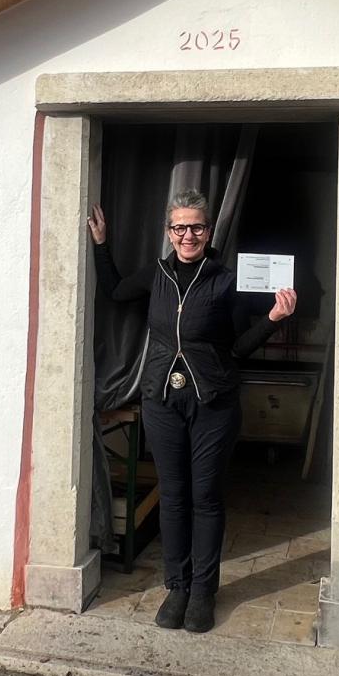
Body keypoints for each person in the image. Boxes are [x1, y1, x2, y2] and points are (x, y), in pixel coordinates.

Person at [88, 190, 297, 632]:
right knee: (174, 495)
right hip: (162, 401)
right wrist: (101, 245)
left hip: (213, 403)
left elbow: (238, 347)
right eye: (180, 227)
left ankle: (203, 591)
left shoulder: (225, 280)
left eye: (196, 227)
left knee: (205, 497)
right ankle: (177, 587)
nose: (188, 235)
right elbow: (114, 290)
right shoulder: (157, 274)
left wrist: (274, 319)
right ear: (169, 232)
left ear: (208, 231)